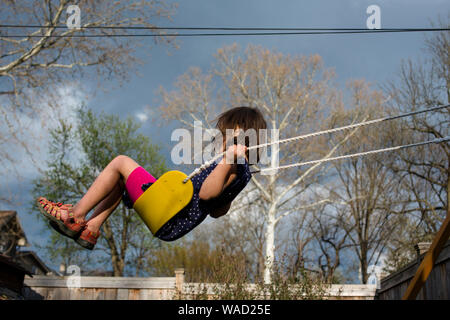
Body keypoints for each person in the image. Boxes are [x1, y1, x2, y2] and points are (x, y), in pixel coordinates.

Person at [37, 106, 267, 250]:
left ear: (239, 136)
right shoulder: (241, 171)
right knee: (121, 179)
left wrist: (227, 160)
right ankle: (91, 229)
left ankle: (75, 215)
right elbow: (217, 210)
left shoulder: (231, 164)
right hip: (171, 221)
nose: (218, 139)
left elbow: (207, 193)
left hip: (169, 214)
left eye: (223, 134)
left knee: (120, 162)